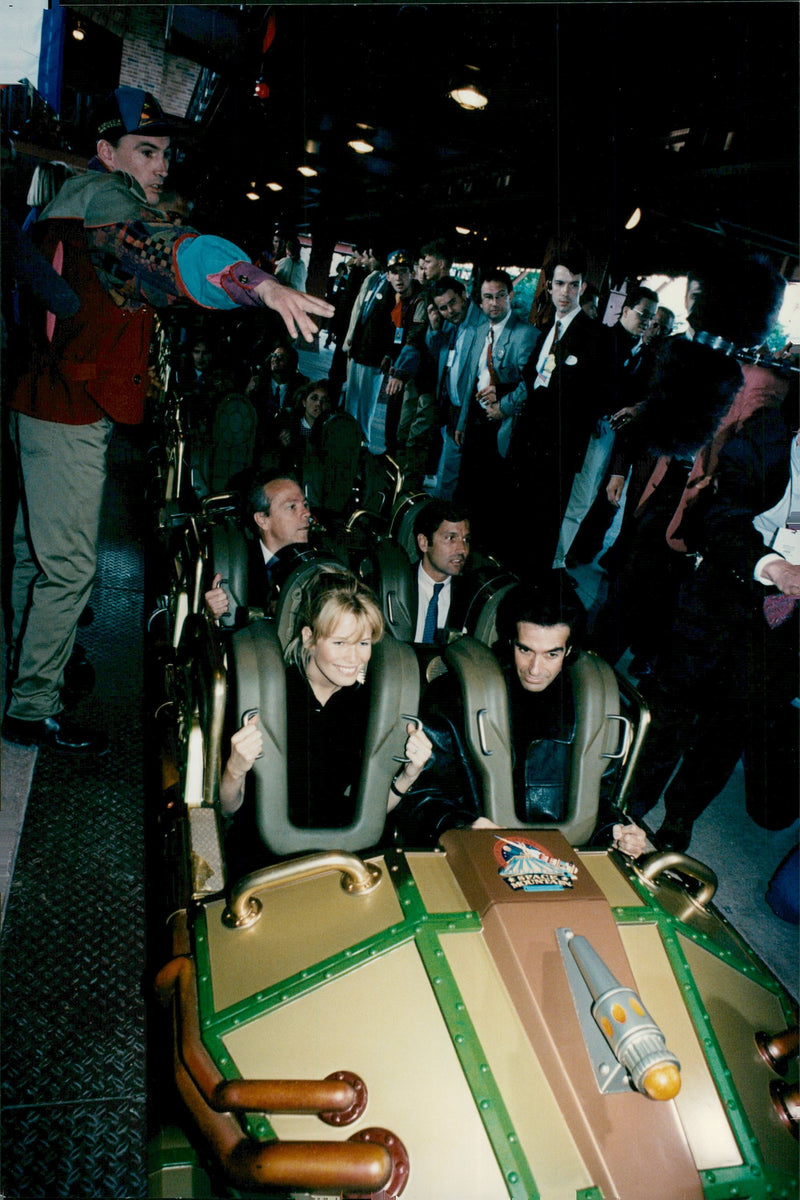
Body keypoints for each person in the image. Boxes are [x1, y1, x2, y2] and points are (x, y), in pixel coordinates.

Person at [3, 86, 332, 755]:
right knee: (69, 571)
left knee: (31, 554)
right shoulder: (110, 204)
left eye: (165, 154)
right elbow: (172, 252)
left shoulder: (64, 201)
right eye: (146, 151)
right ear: (107, 152)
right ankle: (32, 707)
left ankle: (25, 663)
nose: (160, 166)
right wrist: (259, 284)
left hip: (37, 401)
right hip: (69, 412)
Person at [220, 571, 432, 830]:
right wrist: (235, 768)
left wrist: (408, 775)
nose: (353, 658)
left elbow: (367, 815)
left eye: (363, 643)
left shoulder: (369, 706)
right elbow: (227, 808)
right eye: (340, 643)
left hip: (339, 846)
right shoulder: (265, 693)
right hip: (265, 846)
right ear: (309, 638)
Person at [388, 585, 581, 846]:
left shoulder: (583, 705)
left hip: (558, 850)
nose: (535, 669)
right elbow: (422, 797)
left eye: (551, 654)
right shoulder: (456, 696)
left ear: (568, 651)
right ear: (510, 641)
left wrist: (615, 830)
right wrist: (461, 828)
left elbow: (598, 796)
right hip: (475, 849)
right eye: (525, 650)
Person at [511, 240, 604, 578]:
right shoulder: (546, 330)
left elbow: (593, 399)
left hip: (559, 451)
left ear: (583, 287)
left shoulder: (595, 337)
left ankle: (532, 586)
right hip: (529, 443)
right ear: (549, 286)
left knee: (543, 530)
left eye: (574, 285)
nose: (566, 292)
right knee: (521, 522)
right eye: (560, 284)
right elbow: (536, 382)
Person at [204, 473, 314, 620]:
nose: (307, 513)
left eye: (305, 505)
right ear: (263, 520)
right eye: (292, 506)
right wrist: (211, 613)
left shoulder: (317, 560)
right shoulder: (231, 564)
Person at [426, 276, 490, 499]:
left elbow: (473, 378)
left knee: (455, 474)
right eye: (443, 308)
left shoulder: (482, 324)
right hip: (449, 405)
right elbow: (436, 353)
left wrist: (462, 419)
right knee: (447, 469)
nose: (450, 311)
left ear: (464, 294)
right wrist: (435, 327)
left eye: (452, 303)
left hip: (469, 411)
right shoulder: (449, 322)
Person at [412, 500, 473, 643]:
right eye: (451, 538)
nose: (462, 549)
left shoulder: (471, 596)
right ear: (424, 542)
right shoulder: (394, 585)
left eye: (466, 539)